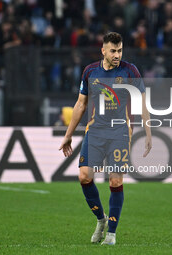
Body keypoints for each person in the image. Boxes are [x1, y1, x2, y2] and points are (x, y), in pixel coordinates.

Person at [59, 32, 152, 245]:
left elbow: (142, 103)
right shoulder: (90, 71)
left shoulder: (131, 71)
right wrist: (68, 135)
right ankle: (101, 219)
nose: (117, 54)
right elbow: (81, 104)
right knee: (84, 176)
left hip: (120, 132)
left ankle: (111, 233)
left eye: (120, 50)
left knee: (115, 180)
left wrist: (148, 132)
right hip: (95, 131)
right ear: (103, 50)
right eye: (113, 51)